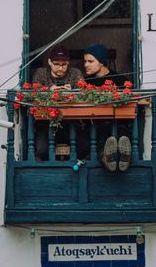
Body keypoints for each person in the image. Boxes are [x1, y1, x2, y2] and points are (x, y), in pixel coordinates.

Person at [82, 43, 132, 172]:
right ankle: (106, 158)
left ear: (101, 62)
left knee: (122, 134)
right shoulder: (86, 82)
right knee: (102, 133)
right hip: (96, 124)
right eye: (85, 61)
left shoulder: (120, 80)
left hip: (118, 122)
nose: (86, 64)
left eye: (90, 61)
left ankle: (123, 157)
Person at [32, 45, 83, 161]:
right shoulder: (41, 73)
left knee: (83, 147)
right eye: (56, 64)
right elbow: (34, 91)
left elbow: (83, 92)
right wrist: (49, 91)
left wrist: (72, 92)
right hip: (45, 123)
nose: (60, 68)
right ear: (49, 62)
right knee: (42, 149)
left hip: (71, 122)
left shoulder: (75, 73)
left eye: (64, 65)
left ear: (68, 63)